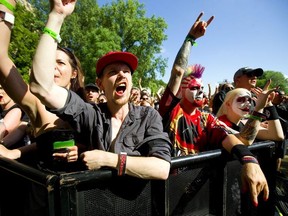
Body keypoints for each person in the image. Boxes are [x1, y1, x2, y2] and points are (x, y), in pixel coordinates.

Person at [30, 0, 172, 180]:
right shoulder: (90, 114)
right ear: (100, 84)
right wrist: (56, 16)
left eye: (126, 71)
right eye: (113, 72)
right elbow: (40, 86)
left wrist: (109, 159)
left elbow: (161, 168)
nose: (121, 75)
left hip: (138, 208)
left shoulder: (148, 116)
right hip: (95, 207)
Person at [158, 12, 269, 206]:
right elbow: (177, 72)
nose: (200, 92)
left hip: (199, 195)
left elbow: (244, 139)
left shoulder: (206, 118)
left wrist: (250, 159)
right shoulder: (171, 112)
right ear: (181, 90)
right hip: (168, 193)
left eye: (201, 88)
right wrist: (190, 39)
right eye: (194, 88)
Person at [216, 87, 284, 145]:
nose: (248, 103)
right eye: (241, 100)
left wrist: (269, 104)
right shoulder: (218, 125)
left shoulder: (245, 123)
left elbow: (277, 136)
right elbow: (246, 139)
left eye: (249, 100)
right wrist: (259, 108)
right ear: (228, 104)